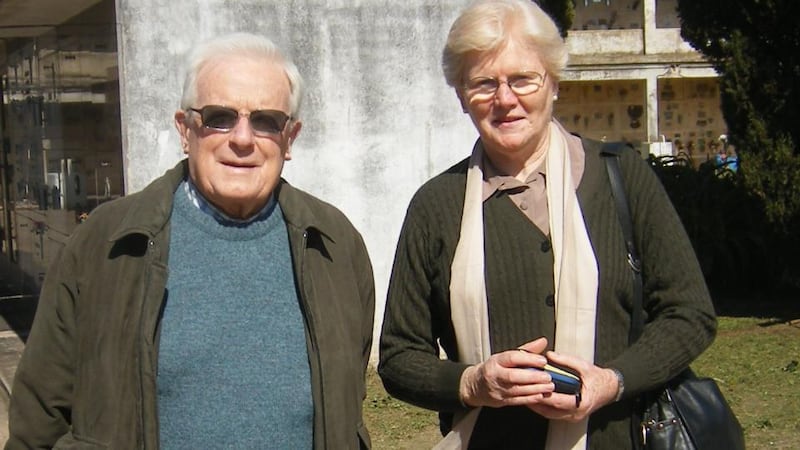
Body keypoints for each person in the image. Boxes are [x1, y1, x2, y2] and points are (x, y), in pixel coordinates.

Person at [7, 32, 375, 449]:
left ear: (289, 138)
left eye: (266, 121)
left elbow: (347, 401)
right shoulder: (105, 243)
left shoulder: (334, 245)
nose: (242, 139)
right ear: (185, 130)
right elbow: (40, 418)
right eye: (219, 116)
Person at [378, 1, 716, 449]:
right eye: (483, 83)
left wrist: (612, 381)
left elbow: (689, 313)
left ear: (553, 82)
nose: (504, 99)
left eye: (523, 79)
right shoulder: (436, 206)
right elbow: (400, 356)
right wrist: (472, 383)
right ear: (461, 96)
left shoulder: (622, 178)